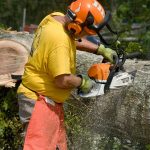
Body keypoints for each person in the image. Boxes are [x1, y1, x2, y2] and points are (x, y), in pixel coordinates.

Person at [17, 0, 117, 149]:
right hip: (39, 102)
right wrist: (82, 82)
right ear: (76, 26)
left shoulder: (56, 18)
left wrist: (99, 49)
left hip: (45, 100)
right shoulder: (59, 40)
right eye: (86, 32)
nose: (85, 35)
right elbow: (62, 80)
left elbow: (71, 38)